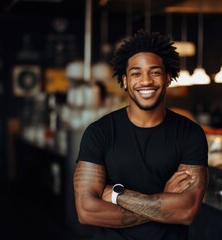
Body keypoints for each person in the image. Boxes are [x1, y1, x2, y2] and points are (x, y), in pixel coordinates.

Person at [73, 30, 209, 240]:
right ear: (125, 80)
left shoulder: (190, 134)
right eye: (136, 73)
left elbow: (186, 211)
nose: (146, 81)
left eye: (154, 72)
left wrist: (117, 195)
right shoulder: (99, 132)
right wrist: (165, 203)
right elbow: (86, 210)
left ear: (167, 77)